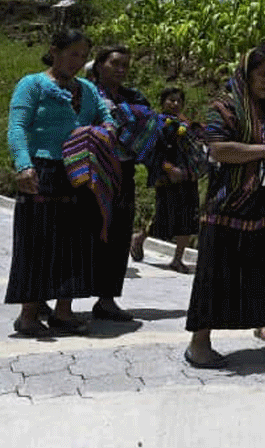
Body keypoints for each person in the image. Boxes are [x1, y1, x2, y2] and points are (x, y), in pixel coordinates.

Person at [185, 45, 265, 369]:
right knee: (216, 276)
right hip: (228, 206)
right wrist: (264, 151)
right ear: (246, 74)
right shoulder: (225, 107)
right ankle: (199, 343)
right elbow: (218, 151)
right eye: (261, 75)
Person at [5, 28, 113, 337]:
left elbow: (107, 119)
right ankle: (28, 316)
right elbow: (17, 127)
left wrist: (103, 132)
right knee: (37, 243)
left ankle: (64, 313)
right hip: (44, 172)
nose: (77, 61)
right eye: (72, 54)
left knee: (75, 244)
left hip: (80, 174)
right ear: (54, 51)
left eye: (82, 56)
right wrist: (23, 165)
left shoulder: (88, 91)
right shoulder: (32, 84)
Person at [87, 45, 146, 322]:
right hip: (92, 170)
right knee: (83, 234)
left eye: (125, 65)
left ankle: (107, 299)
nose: (121, 70)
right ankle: (64, 300)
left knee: (120, 234)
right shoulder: (85, 92)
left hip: (124, 171)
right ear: (99, 65)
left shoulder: (132, 97)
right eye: (115, 64)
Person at [130, 87, 200, 273]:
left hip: (187, 177)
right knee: (164, 216)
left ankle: (177, 259)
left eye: (179, 101)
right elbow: (148, 152)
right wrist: (168, 168)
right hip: (167, 178)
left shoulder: (186, 125)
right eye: (171, 100)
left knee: (188, 218)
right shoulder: (155, 124)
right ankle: (140, 238)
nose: (175, 104)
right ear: (162, 102)